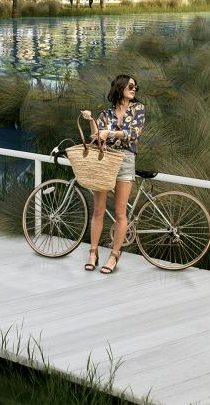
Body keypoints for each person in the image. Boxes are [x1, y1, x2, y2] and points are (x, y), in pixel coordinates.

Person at [77, 74, 146, 275]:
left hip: (125, 160)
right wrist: (91, 121)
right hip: (105, 160)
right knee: (98, 209)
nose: (134, 89)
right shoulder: (105, 114)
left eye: (135, 86)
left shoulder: (138, 109)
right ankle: (93, 253)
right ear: (120, 87)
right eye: (131, 85)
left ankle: (114, 255)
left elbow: (134, 133)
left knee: (119, 212)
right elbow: (96, 138)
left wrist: (112, 134)